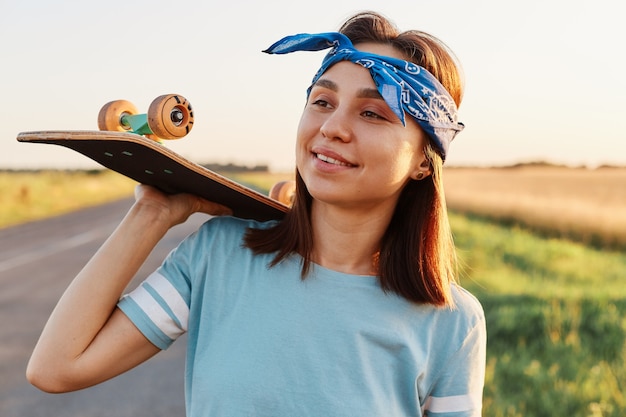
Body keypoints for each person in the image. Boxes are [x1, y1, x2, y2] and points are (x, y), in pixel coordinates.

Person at [27, 11, 486, 417]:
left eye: (372, 113)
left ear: (425, 159)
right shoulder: (220, 255)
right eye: (322, 102)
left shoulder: (451, 322)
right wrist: (152, 213)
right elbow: (56, 368)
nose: (331, 128)